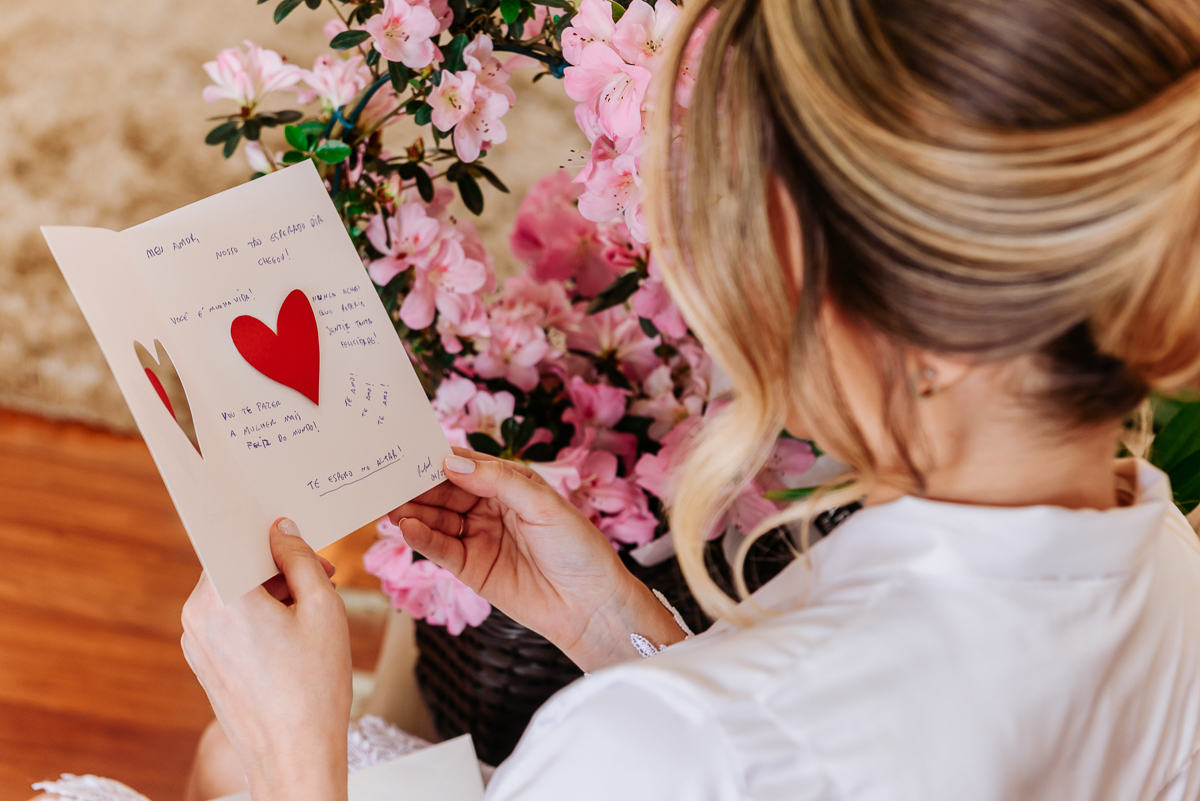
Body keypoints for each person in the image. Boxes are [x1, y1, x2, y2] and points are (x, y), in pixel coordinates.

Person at [35, 0, 1200, 798]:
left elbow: (732, 758)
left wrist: (301, 756)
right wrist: (612, 629)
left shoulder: (659, 751)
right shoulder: (1162, 571)